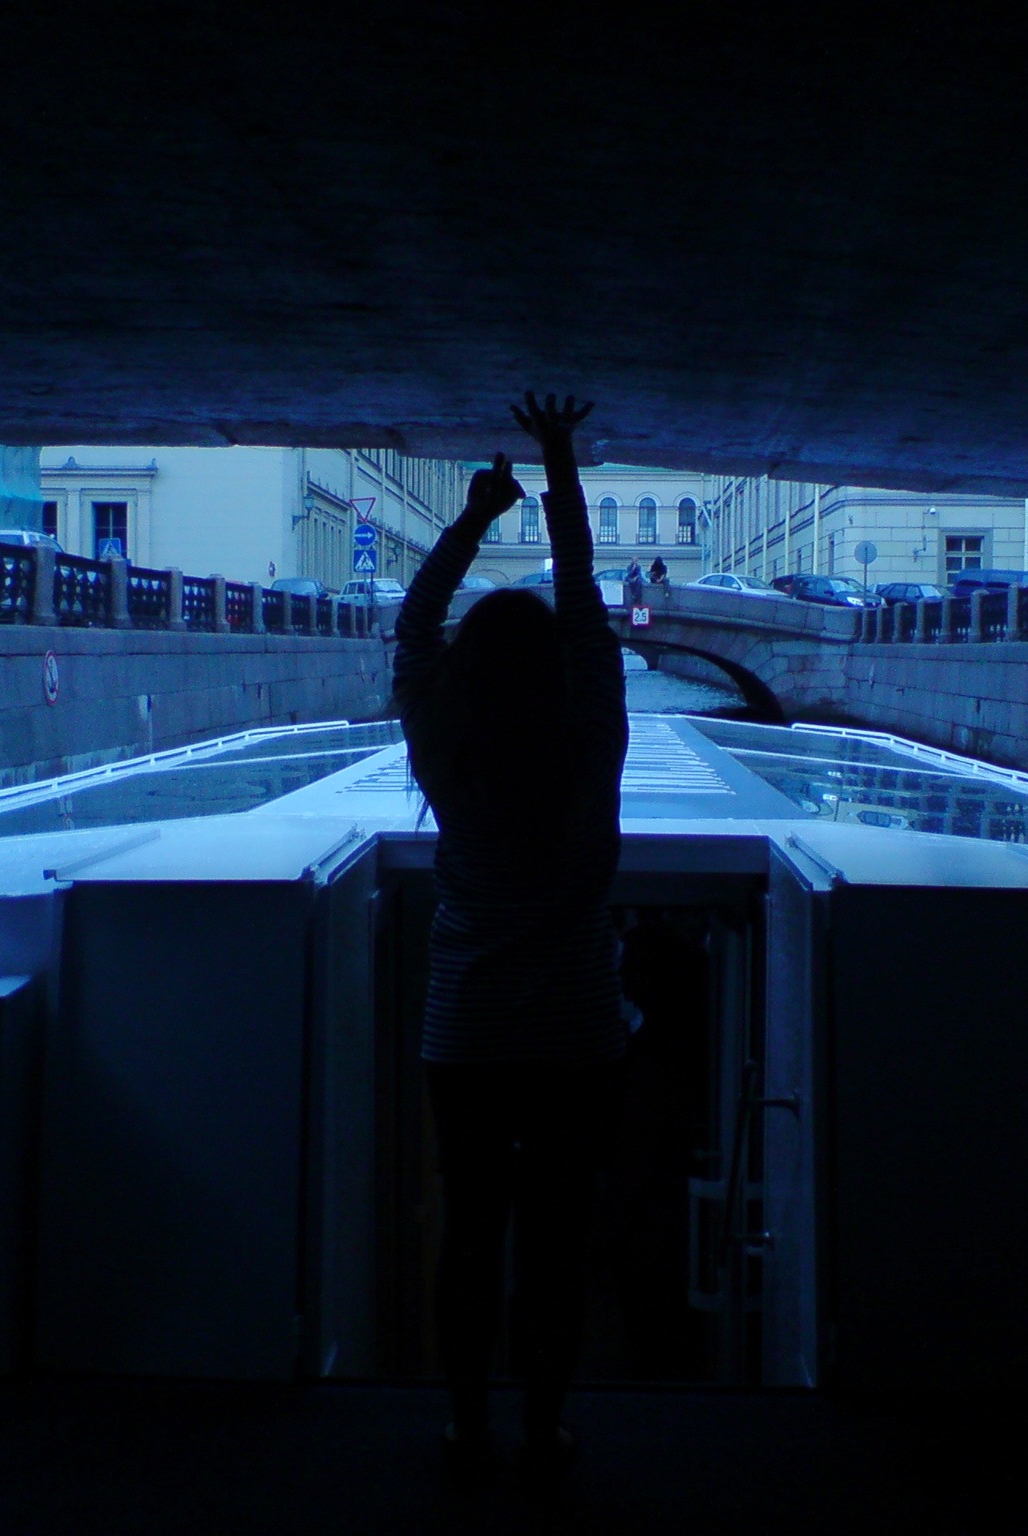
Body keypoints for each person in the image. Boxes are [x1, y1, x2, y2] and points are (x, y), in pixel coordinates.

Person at [392, 393, 629, 1485]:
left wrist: (478, 513)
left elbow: (413, 629)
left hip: (469, 1031)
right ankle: (544, 1425)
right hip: (576, 1032)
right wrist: (559, 462)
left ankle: (463, 1423)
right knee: (553, 1239)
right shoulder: (591, 741)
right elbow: (582, 598)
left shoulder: (445, 747)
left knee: (471, 1229)